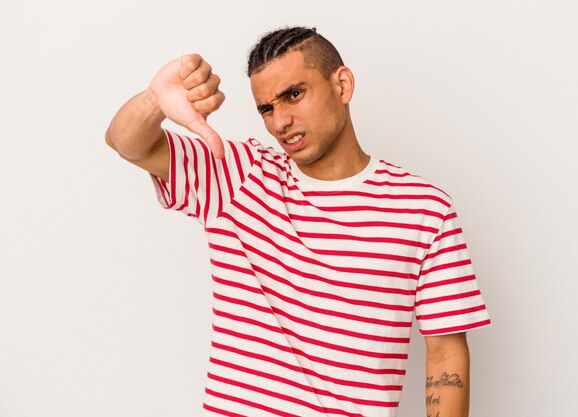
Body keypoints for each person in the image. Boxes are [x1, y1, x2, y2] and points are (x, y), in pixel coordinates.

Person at [105, 26, 491, 417]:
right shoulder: (238, 176)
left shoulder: (425, 208)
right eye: (267, 108)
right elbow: (128, 143)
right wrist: (154, 100)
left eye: (293, 94)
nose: (280, 122)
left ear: (342, 84)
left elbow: (446, 355)